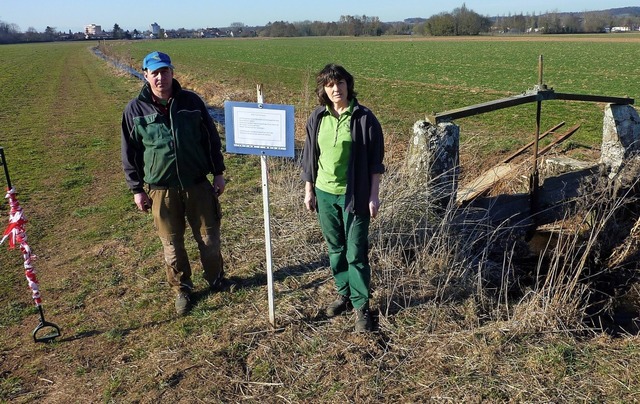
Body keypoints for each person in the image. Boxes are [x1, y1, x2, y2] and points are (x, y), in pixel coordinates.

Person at [121, 51, 226, 316]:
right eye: (154, 72)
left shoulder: (191, 101)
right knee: (172, 245)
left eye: (164, 71)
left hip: (198, 185)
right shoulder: (134, 110)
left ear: (172, 72)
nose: (160, 77)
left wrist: (219, 173)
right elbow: (130, 153)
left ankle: (216, 280)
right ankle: (182, 289)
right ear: (145, 75)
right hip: (160, 190)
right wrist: (136, 190)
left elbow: (211, 139)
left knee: (210, 240)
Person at [301, 63, 385, 332]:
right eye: (329, 85)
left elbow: (375, 163)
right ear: (323, 90)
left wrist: (374, 196)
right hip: (325, 194)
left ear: (348, 85)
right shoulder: (317, 118)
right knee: (335, 248)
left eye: (340, 83)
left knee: (356, 251)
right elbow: (310, 157)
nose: (335, 89)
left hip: (355, 195)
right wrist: (309, 190)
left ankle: (362, 307)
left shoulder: (364, 118)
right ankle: (344, 294)